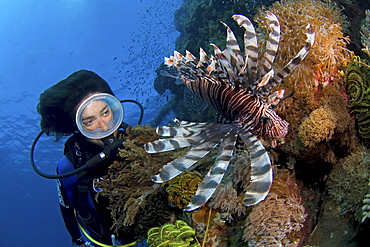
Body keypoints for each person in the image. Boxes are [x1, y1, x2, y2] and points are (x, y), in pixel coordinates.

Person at [37, 70, 147, 247]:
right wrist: (78, 241)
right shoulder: (70, 165)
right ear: (77, 125)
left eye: (105, 113)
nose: (104, 126)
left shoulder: (138, 139)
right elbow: (66, 207)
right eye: (89, 121)